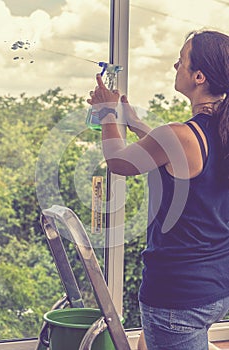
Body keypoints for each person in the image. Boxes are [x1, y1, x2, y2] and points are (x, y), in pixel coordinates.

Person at [87, 30, 229, 350]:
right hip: (216, 288)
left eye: (180, 60)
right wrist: (135, 122)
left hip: (177, 298)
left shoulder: (181, 136)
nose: (174, 66)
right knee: (143, 344)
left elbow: (119, 162)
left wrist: (108, 113)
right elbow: (173, 154)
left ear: (199, 76)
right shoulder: (214, 132)